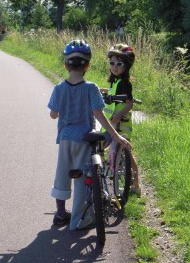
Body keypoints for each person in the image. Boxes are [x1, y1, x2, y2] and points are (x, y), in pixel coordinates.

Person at [48, 40, 132, 230]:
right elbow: (99, 114)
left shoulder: (59, 88)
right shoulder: (91, 88)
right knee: (81, 179)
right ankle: (79, 220)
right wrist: (116, 136)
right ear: (87, 65)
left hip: (64, 138)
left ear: (65, 65)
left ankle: (61, 213)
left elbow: (53, 115)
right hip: (83, 139)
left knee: (62, 174)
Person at [102, 43, 141, 195]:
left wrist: (119, 115)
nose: (115, 67)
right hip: (110, 123)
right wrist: (103, 91)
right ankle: (108, 169)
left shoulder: (125, 83)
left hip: (121, 124)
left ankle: (136, 184)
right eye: (112, 63)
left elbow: (129, 103)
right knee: (102, 144)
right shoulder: (115, 80)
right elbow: (113, 94)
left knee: (127, 153)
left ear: (126, 66)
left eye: (119, 64)